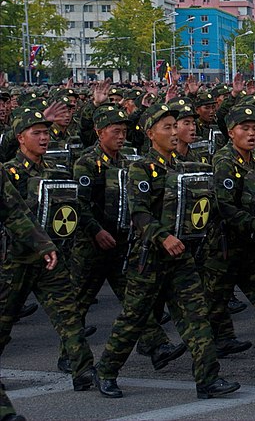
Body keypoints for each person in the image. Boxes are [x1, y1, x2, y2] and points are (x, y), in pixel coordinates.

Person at [94, 104, 240, 400]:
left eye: (176, 126)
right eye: (167, 128)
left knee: (196, 317)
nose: (174, 133)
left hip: (182, 256)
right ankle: (106, 371)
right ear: (150, 134)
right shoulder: (141, 169)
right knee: (134, 318)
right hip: (150, 257)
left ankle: (208, 379)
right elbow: (139, 213)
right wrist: (163, 237)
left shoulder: (184, 166)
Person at [70, 104, 185, 373]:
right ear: (99, 132)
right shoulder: (86, 162)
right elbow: (80, 205)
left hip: (121, 243)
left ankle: (156, 345)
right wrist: (96, 231)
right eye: (115, 131)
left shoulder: (128, 161)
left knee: (134, 301)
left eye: (124, 132)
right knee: (77, 303)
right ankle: (71, 355)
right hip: (92, 245)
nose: (121, 137)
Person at [0, 108, 96, 393]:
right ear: (20, 138)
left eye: (46, 133)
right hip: (15, 261)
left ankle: (83, 370)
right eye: (36, 133)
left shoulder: (55, 172)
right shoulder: (8, 173)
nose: (44, 138)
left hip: (51, 259)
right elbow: (15, 217)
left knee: (69, 316)